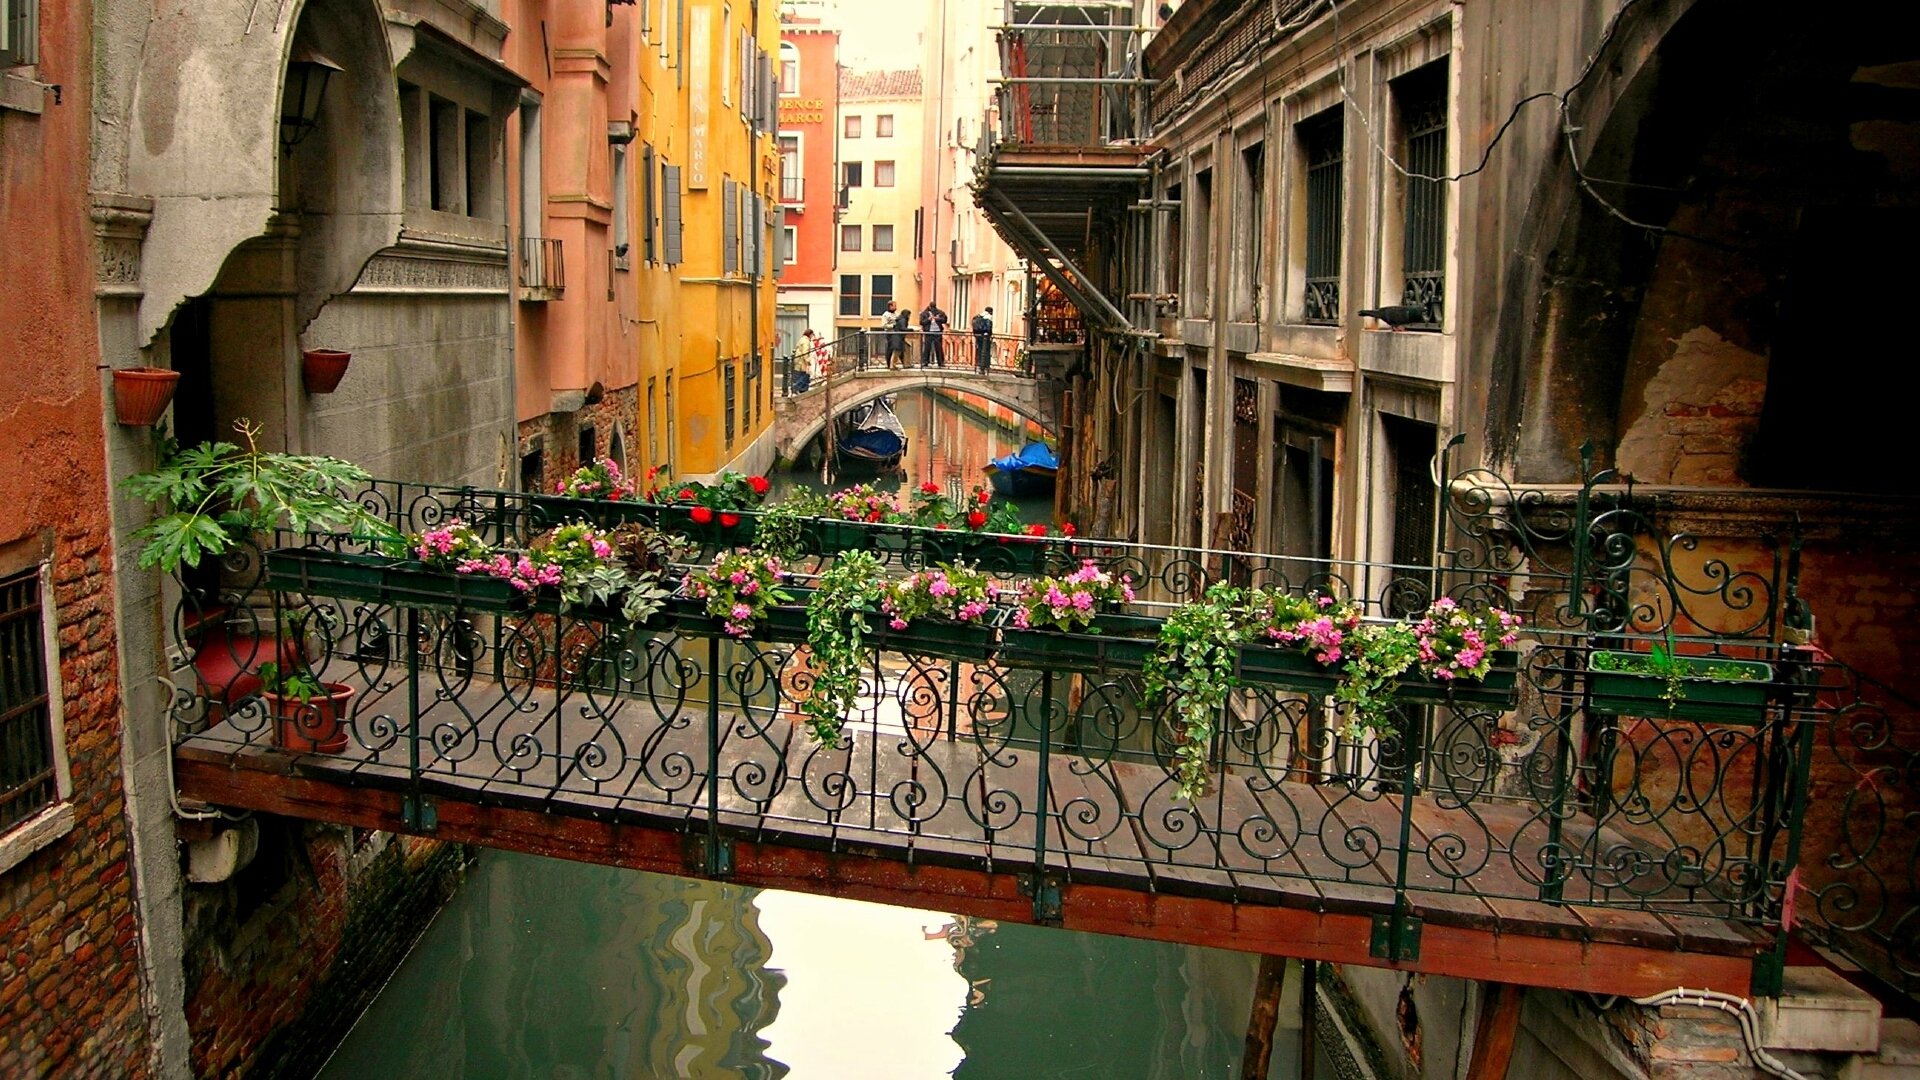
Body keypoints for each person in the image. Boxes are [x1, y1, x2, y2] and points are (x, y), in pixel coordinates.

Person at [920, 302, 946, 368]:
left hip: (937, 332)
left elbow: (945, 320)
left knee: (938, 348)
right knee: (927, 348)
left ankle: (941, 362)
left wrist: (938, 319)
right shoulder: (924, 313)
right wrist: (928, 319)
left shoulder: (940, 312)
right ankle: (925, 362)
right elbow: (921, 322)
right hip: (928, 332)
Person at [882, 301, 907, 368]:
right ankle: (889, 364)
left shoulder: (896, 314)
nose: (896, 307)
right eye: (894, 306)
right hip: (890, 334)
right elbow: (884, 325)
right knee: (890, 349)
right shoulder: (885, 315)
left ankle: (904, 363)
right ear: (890, 306)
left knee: (899, 348)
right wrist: (893, 326)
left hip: (897, 334)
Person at [971, 307, 994, 372]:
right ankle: (985, 366)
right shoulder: (989, 317)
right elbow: (989, 327)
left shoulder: (979, 315)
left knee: (980, 349)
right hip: (985, 336)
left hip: (978, 335)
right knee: (986, 350)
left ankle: (979, 363)